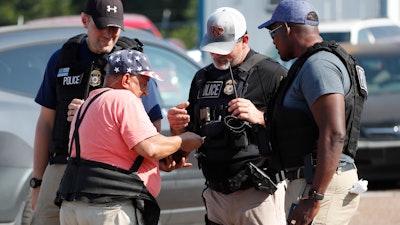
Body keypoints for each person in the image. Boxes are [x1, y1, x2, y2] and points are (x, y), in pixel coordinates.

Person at [31, 0, 163, 224]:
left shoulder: (130, 62)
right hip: (64, 164)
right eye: (102, 26)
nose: (109, 35)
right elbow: (45, 123)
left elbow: (153, 126)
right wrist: (38, 181)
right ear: (85, 20)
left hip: (111, 172)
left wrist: (92, 116)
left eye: (115, 28)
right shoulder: (63, 58)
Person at [167, 7, 288, 225]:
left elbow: (295, 128)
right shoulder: (202, 78)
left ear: (245, 40)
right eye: (213, 48)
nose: (217, 54)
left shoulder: (271, 74)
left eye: (224, 48)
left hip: (257, 195)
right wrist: (178, 127)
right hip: (216, 195)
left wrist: (260, 117)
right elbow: (193, 135)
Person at [54, 49, 204, 225]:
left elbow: (110, 155)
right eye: (143, 82)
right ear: (126, 80)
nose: (146, 91)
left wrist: (158, 162)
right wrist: (184, 140)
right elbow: (151, 148)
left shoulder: (88, 103)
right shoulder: (124, 98)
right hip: (109, 207)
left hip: (73, 206)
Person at [258, 0, 368, 224]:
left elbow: (335, 133)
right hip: (315, 180)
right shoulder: (312, 63)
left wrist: (315, 196)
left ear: (287, 28)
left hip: (320, 183)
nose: (273, 40)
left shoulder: (319, 65)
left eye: (273, 31)